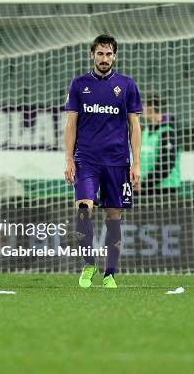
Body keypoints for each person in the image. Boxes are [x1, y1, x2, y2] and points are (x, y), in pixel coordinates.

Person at [64, 34, 142, 289]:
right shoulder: (79, 84)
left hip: (118, 162)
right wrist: (68, 160)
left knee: (114, 216)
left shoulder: (127, 85)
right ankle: (88, 263)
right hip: (86, 160)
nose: (104, 58)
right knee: (84, 209)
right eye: (100, 54)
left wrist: (136, 163)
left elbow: (135, 125)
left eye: (109, 54)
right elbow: (71, 124)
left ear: (115, 56)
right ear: (92, 55)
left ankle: (110, 273)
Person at [139, 95, 182, 199]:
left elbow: (166, 164)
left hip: (165, 189)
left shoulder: (168, 132)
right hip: (146, 188)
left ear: (151, 108)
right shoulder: (146, 131)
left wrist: (145, 185)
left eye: (144, 107)